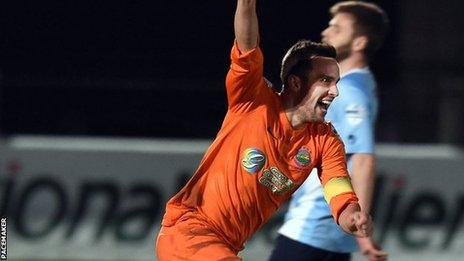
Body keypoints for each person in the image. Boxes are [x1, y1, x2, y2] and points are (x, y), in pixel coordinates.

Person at [155, 0, 374, 260]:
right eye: (325, 81)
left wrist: (350, 214)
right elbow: (247, 47)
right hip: (189, 231)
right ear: (295, 82)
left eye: (336, 82)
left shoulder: (325, 141)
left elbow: (337, 184)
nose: (335, 91)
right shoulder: (253, 100)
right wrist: (246, 4)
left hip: (227, 246)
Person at [270, 1, 389, 261]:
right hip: (332, 232)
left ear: (359, 43)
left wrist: (363, 235)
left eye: (337, 28)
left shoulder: (350, 92)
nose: (326, 33)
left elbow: (364, 159)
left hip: (314, 226)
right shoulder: (360, 83)